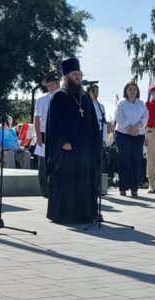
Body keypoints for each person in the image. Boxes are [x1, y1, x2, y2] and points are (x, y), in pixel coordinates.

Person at [45, 57, 100, 224]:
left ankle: (85, 214)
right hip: (67, 147)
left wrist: (96, 141)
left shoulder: (85, 96)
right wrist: (63, 140)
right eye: (74, 74)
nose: (77, 76)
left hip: (85, 148)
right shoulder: (59, 96)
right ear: (66, 76)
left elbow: (93, 121)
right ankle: (64, 215)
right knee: (67, 181)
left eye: (79, 73)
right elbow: (54, 122)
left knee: (84, 181)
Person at [114, 81, 148, 198]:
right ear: (126, 91)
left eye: (134, 89)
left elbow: (145, 118)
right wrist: (129, 128)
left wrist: (136, 128)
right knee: (124, 160)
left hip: (138, 135)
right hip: (123, 134)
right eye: (130, 89)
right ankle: (123, 187)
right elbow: (118, 117)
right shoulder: (121, 103)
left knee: (136, 160)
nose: (132, 91)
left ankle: (134, 188)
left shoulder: (142, 104)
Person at [34, 70, 61, 198]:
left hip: (59, 134)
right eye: (52, 83)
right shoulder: (42, 99)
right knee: (44, 163)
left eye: (56, 82)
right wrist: (38, 136)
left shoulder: (64, 97)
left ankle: (57, 188)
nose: (56, 85)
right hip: (45, 133)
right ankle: (45, 190)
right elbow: (37, 119)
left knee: (58, 161)